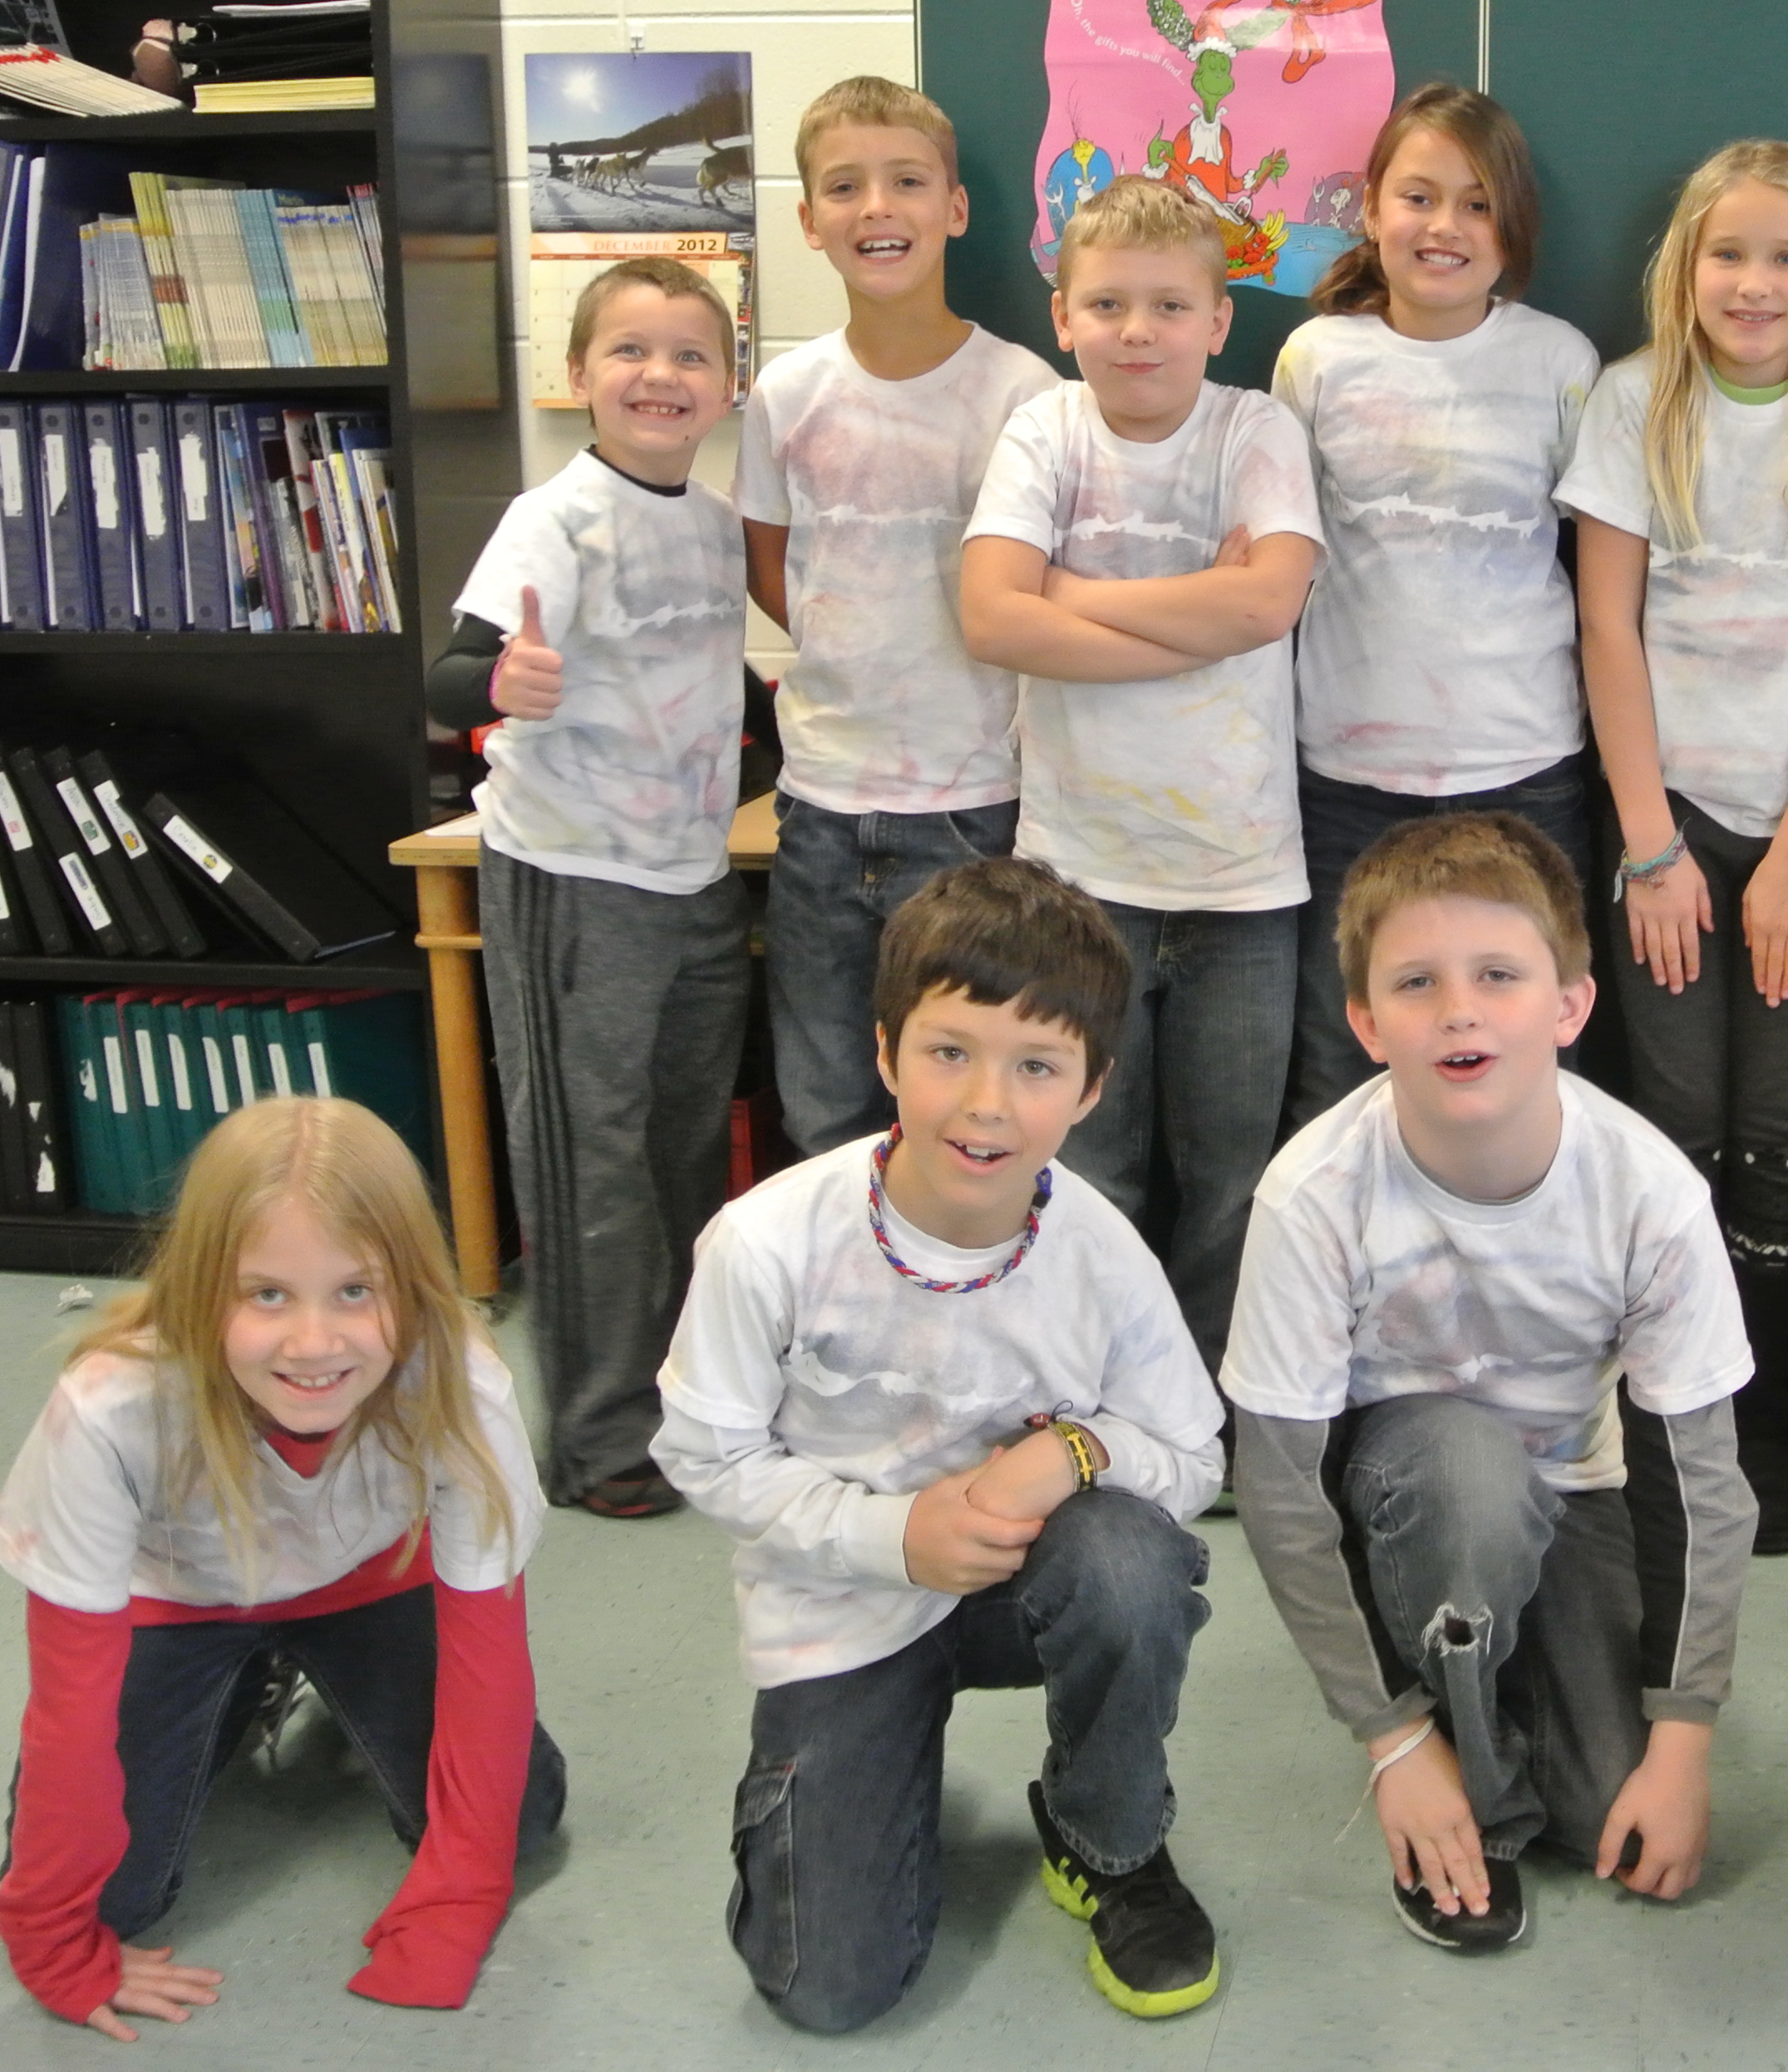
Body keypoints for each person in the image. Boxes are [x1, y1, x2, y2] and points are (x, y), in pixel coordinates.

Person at [653, 856, 1229, 2030]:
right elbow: (705, 1453)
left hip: (1024, 1586)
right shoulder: (766, 1243)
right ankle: (848, 1773)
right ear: (885, 1053)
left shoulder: (1102, 1251)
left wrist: (1073, 1454)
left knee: (1129, 1564)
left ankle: (1106, 1838)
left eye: (1037, 1067)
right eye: (949, 1051)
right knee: (824, 1991)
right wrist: (894, 1536)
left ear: (1092, 1088)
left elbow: (1194, 1451)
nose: (986, 1105)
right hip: (844, 1599)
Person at [1225, 813, 1756, 1953]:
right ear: (1367, 1023)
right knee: (1468, 1475)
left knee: (1610, 1812)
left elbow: (1703, 1485)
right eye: (1415, 983)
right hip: (1415, 1494)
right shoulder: (1313, 1197)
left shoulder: (1651, 1196)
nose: (1459, 1010)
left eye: (1499, 976)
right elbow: (1276, 1489)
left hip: (1577, 1493)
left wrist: (1683, 1739)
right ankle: (1467, 1787)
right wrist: (1393, 1741)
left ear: (1569, 1004)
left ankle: (1498, 1677)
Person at [1556, 140, 1788, 1553]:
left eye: (1787, 257)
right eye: (1729, 253)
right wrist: (1650, 847)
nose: (1755, 283)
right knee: (1672, 1122)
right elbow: (1607, 628)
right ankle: (1669, 1414)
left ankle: (1766, 1417)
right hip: (1661, 823)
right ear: (1686, 268)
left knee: (1780, 1134)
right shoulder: (1633, 399)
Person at [0, 1097, 560, 2038]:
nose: (314, 1343)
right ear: (201, 1285)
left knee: (520, 1819)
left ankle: (309, 1676)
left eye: (356, 1290)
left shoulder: (459, 1382)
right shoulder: (113, 1405)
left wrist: (459, 1897)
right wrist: (51, 1940)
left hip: (372, 1586)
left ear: (413, 1285)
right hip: (177, 1606)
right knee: (116, 1900)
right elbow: (68, 1699)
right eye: (266, 1295)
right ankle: (244, 1689)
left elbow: (489, 1653)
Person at [960, 174, 1324, 1371]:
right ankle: (1091, 1393)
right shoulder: (1044, 432)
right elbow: (993, 620)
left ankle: (1208, 1410)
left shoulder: (1255, 432)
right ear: (1062, 314)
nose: (1137, 332)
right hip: (1079, 878)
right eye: (1108, 304)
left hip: (1241, 882)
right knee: (1085, 1170)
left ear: (1219, 322)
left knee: (1230, 1183)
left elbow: (1266, 606)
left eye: (1170, 307)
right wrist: (1195, 612)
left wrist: (1068, 592)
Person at [424, 255, 767, 1517]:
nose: (659, 375)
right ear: (578, 374)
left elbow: (714, 676)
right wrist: (498, 684)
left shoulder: (715, 522)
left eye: (689, 355)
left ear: (727, 386)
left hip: (692, 880)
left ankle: (679, 1403)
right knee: (593, 1166)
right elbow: (454, 674)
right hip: (573, 877)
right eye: (629, 349)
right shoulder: (551, 517)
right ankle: (598, 1440)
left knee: (683, 1149)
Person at [737, 76, 1057, 1159]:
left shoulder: (1020, 391)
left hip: (973, 804)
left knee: (968, 1104)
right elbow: (772, 565)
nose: (877, 207)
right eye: (845, 187)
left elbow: (1040, 586)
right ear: (808, 220)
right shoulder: (787, 395)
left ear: (954, 209)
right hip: (821, 804)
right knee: (824, 1100)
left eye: (907, 182)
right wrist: (852, 645)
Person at [1270, 82, 1599, 1130]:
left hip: (1521, 769)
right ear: (1371, 208)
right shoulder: (1317, 358)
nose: (1443, 226)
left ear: (1513, 226)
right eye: (1417, 197)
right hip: (1347, 779)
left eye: (1476, 204)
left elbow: (1597, 560)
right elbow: (1280, 561)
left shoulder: (1557, 361)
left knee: (1525, 1065)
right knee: (1342, 1063)